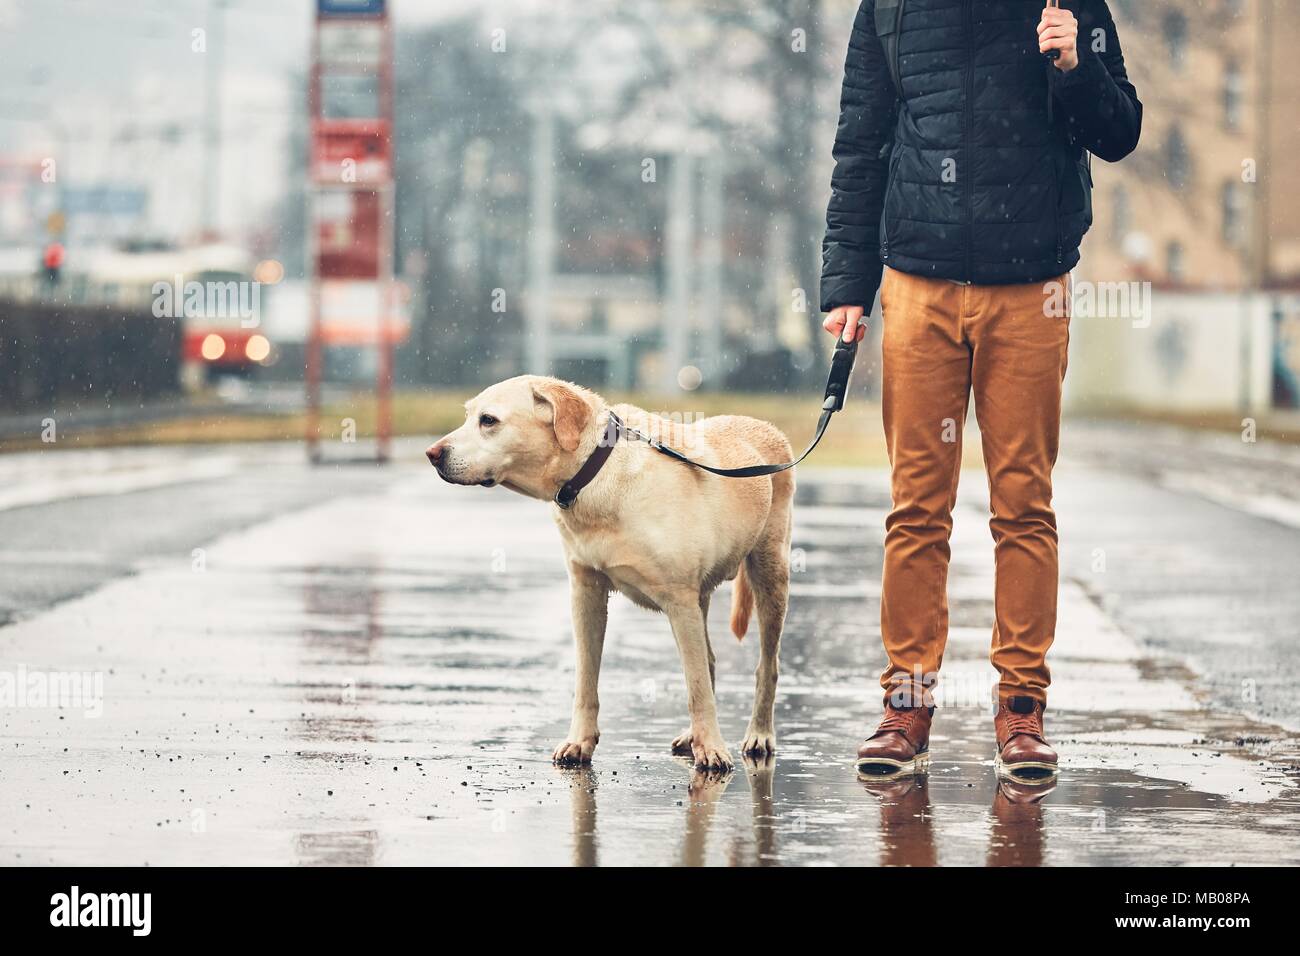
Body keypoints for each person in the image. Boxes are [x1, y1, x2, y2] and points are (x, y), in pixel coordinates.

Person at [820, 0, 1142, 775]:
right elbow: (862, 145)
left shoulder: (1066, 5)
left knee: (1023, 502)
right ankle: (906, 706)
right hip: (918, 283)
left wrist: (1075, 67)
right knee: (915, 506)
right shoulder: (889, 9)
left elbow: (1120, 131)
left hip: (1031, 287)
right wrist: (846, 283)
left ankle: (1022, 710)